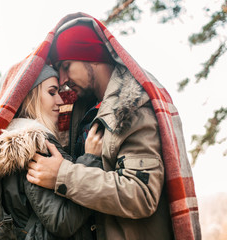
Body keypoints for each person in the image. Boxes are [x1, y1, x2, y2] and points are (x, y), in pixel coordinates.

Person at [26, 16, 201, 240]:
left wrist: (63, 175)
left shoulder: (133, 108)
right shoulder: (80, 108)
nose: (62, 80)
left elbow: (141, 194)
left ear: (92, 57)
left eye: (66, 66)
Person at [0, 64, 103, 239]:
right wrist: (91, 160)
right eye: (52, 92)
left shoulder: (20, 144)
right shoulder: (36, 147)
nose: (60, 100)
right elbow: (62, 221)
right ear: (31, 97)